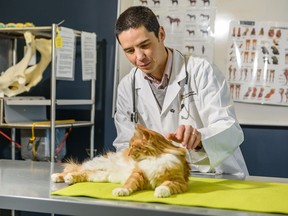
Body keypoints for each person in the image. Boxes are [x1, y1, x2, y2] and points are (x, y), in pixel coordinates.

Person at [113, 5, 249, 177]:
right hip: (161, 178)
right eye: (129, 51)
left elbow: (230, 130)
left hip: (213, 176)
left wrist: (200, 138)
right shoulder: (127, 87)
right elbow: (125, 144)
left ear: (161, 34)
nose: (139, 57)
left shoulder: (201, 71)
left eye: (145, 45)